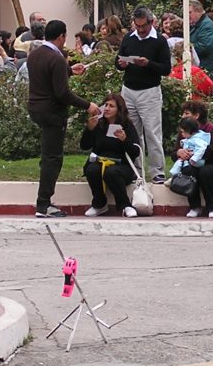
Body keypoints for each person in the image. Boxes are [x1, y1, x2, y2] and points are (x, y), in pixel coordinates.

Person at [27, 19, 99, 217]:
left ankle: (44, 199)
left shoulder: (35, 55)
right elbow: (62, 93)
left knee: (47, 156)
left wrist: (69, 71)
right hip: (52, 112)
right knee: (53, 158)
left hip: (36, 108)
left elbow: (46, 76)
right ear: (61, 36)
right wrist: (88, 105)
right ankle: (43, 204)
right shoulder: (57, 58)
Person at [117, 6, 172, 184]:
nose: (140, 30)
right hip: (129, 89)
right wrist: (121, 64)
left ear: (151, 22)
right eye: (137, 26)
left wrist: (148, 64)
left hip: (149, 91)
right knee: (133, 132)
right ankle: (135, 169)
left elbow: (166, 69)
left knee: (152, 133)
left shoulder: (159, 41)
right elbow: (119, 59)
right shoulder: (129, 37)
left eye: (143, 26)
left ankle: (157, 171)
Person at [80, 93, 141, 218]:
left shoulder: (127, 125)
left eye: (111, 106)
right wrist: (89, 129)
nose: (107, 108)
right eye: (106, 105)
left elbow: (135, 152)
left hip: (121, 164)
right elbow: (84, 146)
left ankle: (125, 205)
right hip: (100, 160)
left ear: (119, 109)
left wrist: (125, 140)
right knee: (91, 169)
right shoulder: (99, 124)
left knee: (111, 172)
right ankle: (99, 204)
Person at [173, 100, 213, 218]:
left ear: (196, 115)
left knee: (205, 172)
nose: (183, 116)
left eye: (186, 113)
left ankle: (212, 207)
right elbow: (174, 153)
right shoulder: (184, 130)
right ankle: (194, 207)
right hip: (192, 165)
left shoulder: (211, 129)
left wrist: (196, 153)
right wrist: (180, 153)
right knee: (188, 170)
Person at [189, 0, 213, 78]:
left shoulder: (207, 26)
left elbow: (204, 47)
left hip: (208, 71)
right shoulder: (199, 25)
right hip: (204, 70)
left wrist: (187, 47)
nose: (187, 15)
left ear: (198, 11)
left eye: (190, 12)